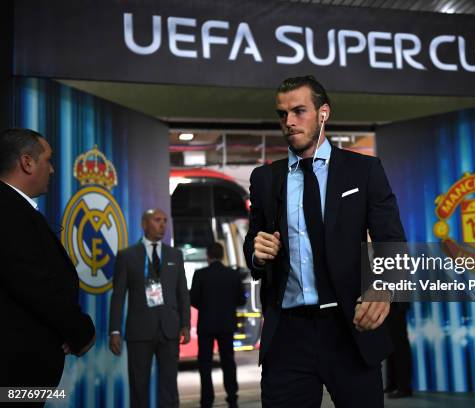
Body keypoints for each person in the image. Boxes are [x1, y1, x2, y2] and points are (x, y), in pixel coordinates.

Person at [243, 76, 406, 407]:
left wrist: (383, 289)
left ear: (323, 113)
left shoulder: (364, 171)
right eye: (282, 114)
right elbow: (253, 244)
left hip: (349, 329)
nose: (289, 122)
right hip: (287, 336)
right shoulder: (265, 179)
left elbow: (392, 241)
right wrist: (257, 254)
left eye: (299, 111)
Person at [0, 128, 96, 392]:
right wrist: (79, 332)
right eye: (48, 160)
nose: (52, 170)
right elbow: (34, 284)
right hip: (15, 372)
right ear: (27, 162)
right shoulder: (10, 212)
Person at [109, 208, 191, 408]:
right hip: (139, 332)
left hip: (169, 330)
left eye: (164, 220)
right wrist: (115, 330)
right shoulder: (127, 256)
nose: (162, 224)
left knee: (169, 387)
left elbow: (182, 293)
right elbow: (118, 296)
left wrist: (185, 324)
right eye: (157, 220)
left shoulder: (175, 255)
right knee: (139, 386)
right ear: (144, 224)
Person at [190, 242, 246, 408]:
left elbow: (193, 299)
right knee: (228, 361)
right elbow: (241, 300)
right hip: (227, 325)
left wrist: (206, 308)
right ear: (222, 255)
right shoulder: (233, 275)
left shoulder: (200, 274)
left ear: (208, 256)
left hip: (206, 325)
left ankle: (207, 400)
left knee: (205, 364)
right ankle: (232, 397)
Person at [384, 302, 413, 399]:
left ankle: (403, 387)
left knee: (399, 345)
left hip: (398, 303)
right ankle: (393, 384)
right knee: (390, 343)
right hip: (390, 302)